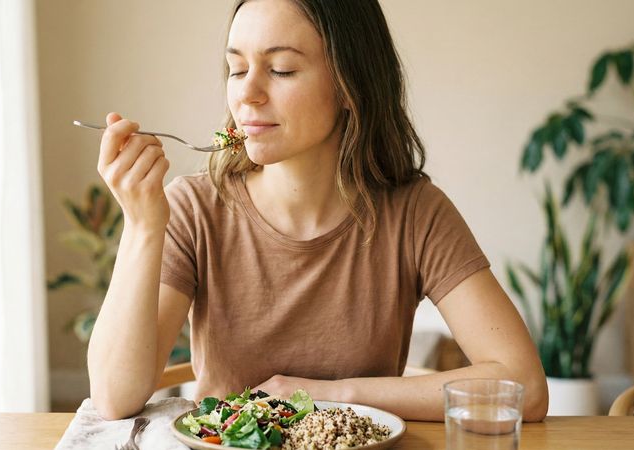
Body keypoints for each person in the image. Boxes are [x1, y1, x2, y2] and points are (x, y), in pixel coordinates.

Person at [87, 0, 548, 422]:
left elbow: (523, 388)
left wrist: (333, 393)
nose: (247, 94)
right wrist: (144, 226)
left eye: (282, 70)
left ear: (351, 86)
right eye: (235, 68)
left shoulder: (415, 213)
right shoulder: (195, 208)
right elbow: (112, 397)